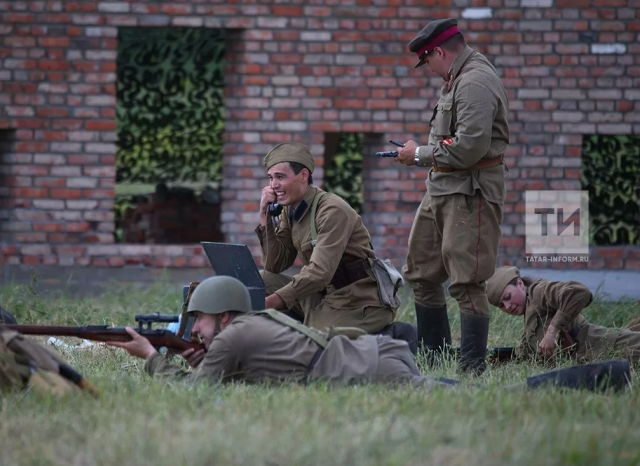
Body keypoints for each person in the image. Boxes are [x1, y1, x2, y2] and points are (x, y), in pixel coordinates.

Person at [109, 276, 631, 393]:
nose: (192, 328)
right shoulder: (248, 326)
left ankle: (609, 375)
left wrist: (148, 356)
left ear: (222, 316)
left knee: (507, 395)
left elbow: (198, 393)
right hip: (377, 353)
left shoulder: (231, 337)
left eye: (197, 319)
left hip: (368, 368)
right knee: (456, 393)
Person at [393, 18, 510, 374]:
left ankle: (471, 367)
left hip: (469, 193)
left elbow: (470, 148)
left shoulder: (475, 81)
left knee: (467, 281)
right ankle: (435, 358)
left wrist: (417, 155)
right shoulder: (456, 79)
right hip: (441, 189)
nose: (428, 69)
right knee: (421, 273)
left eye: (427, 61)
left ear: (440, 52)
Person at [253, 141, 405, 338]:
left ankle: (394, 334)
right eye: (271, 178)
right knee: (261, 280)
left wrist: (272, 302)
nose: (273, 185)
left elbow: (319, 273)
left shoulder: (332, 210)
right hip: (324, 294)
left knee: (317, 344)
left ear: (304, 176)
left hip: (359, 300)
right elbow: (275, 264)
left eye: (280, 177)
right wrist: (264, 215)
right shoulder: (290, 208)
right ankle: (304, 326)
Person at [486, 266, 640, 364]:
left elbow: (579, 292)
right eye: (501, 305)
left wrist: (551, 332)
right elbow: (525, 356)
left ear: (520, 284)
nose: (507, 306)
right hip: (591, 359)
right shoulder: (528, 310)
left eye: (507, 297)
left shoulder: (539, 291)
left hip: (603, 346)